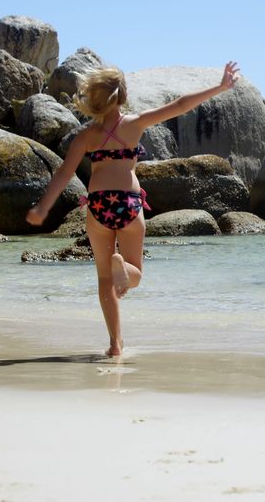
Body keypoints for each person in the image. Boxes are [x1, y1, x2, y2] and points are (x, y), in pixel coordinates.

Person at [26, 62, 241, 357]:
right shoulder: (135, 124)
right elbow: (179, 105)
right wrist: (220, 87)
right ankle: (124, 269)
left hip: (98, 204)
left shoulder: (86, 136)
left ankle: (115, 343)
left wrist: (43, 207)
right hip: (128, 202)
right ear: (122, 96)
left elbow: (64, 173)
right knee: (135, 272)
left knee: (104, 280)